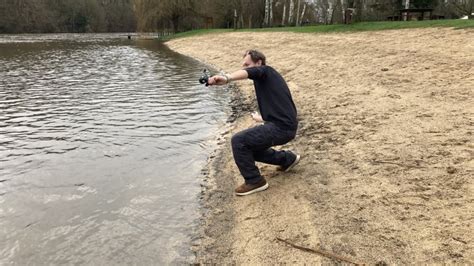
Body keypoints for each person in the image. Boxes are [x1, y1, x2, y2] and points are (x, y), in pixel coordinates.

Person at [207, 50, 300, 196]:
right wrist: (263, 119)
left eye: (247, 64)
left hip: (282, 128)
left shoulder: (266, 71)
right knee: (250, 149)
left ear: (258, 63)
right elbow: (282, 110)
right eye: (243, 65)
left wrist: (227, 78)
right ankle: (288, 159)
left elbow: (249, 73)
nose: (244, 68)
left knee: (238, 140)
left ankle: (254, 181)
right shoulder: (266, 80)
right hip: (285, 126)